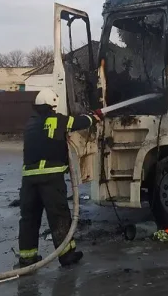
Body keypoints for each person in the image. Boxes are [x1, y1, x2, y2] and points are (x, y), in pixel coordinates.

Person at [17, 88, 101, 268]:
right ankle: (66, 255)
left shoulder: (30, 123)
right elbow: (79, 122)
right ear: (52, 105)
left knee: (29, 218)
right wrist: (94, 116)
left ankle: (27, 258)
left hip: (29, 180)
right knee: (59, 216)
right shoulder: (57, 120)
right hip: (50, 178)